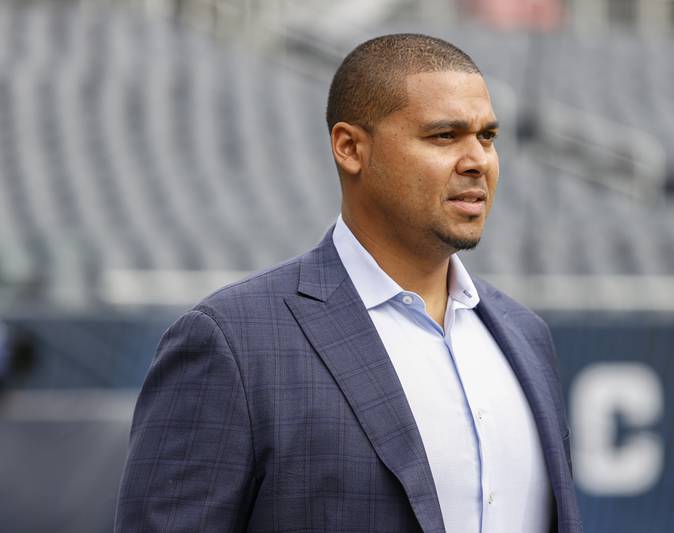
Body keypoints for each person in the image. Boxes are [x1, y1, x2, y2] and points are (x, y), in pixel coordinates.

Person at [115, 33, 582, 533]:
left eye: (487, 137)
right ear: (350, 147)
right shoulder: (232, 342)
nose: (477, 162)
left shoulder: (524, 335)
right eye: (444, 136)